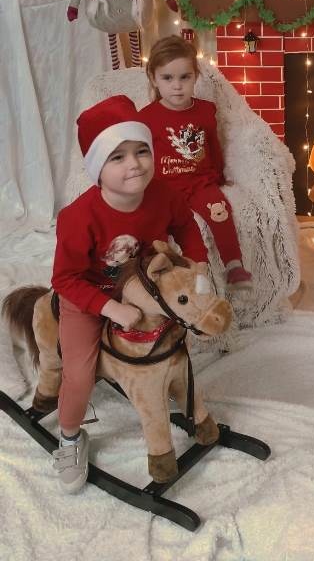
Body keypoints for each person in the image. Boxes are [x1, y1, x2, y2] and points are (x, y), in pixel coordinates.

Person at [51, 95, 208, 493]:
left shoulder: (163, 193)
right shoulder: (78, 217)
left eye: (141, 151)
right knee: (80, 372)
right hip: (90, 294)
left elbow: (186, 225)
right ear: (97, 169)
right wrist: (110, 308)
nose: (134, 164)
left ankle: (182, 398)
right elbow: (65, 278)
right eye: (117, 157)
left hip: (146, 285)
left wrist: (197, 263)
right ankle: (69, 436)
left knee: (176, 341)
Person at [139, 35, 252, 289]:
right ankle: (156, 275)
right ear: (154, 79)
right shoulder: (146, 117)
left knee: (220, 211)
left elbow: (213, 146)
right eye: (168, 78)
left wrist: (219, 178)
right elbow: (143, 156)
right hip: (165, 188)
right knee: (154, 226)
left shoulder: (205, 110)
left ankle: (234, 266)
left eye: (184, 77)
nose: (177, 86)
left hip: (200, 183)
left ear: (195, 77)